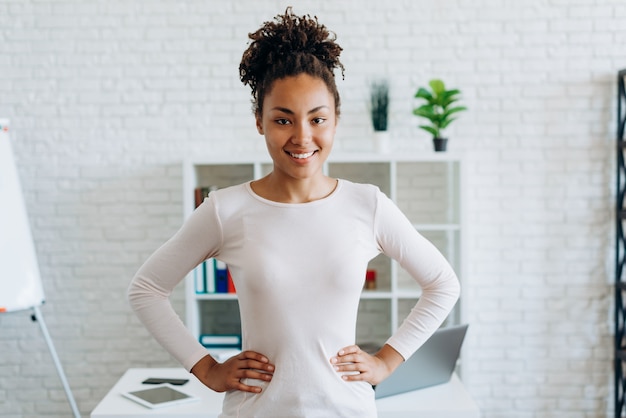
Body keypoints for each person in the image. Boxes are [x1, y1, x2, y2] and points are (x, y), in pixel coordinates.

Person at [128, 7, 460, 418]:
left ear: (336, 121)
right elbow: (146, 290)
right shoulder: (226, 209)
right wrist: (207, 368)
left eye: (317, 119)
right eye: (283, 119)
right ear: (259, 122)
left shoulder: (367, 205)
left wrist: (387, 361)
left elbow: (443, 284)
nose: (302, 137)